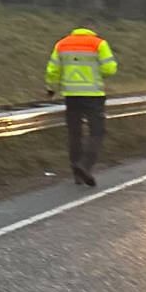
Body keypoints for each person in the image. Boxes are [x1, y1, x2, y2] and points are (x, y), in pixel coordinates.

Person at [46, 25, 118, 186]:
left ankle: (76, 173)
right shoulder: (99, 43)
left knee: (74, 133)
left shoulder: (62, 44)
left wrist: (51, 88)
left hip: (71, 95)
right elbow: (110, 69)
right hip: (93, 95)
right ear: (92, 29)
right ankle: (85, 165)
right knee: (97, 132)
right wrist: (99, 73)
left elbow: (53, 70)